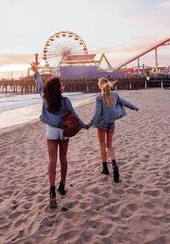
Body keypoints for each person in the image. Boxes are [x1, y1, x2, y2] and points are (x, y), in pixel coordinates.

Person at [30, 63, 87, 208]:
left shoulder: (46, 98)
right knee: (63, 159)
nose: (63, 86)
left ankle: (51, 191)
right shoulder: (66, 101)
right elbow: (74, 115)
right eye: (61, 84)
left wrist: (36, 72)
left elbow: (40, 85)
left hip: (51, 131)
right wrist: (84, 125)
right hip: (63, 132)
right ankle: (62, 185)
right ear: (58, 87)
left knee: (51, 160)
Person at [88, 78, 139, 182]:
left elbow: (97, 113)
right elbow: (125, 102)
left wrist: (90, 124)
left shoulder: (99, 98)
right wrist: (134, 108)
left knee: (102, 144)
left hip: (101, 124)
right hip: (111, 123)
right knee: (109, 146)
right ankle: (114, 164)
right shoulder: (115, 95)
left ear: (100, 85)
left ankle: (105, 168)